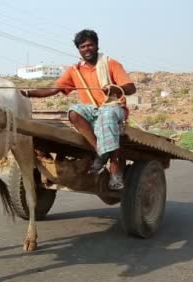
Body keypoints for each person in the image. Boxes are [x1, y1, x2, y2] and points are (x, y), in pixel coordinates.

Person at [21, 29, 136, 190]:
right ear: (79, 50)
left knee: (107, 115)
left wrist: (115, 89)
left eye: (90, 45)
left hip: (113, 107)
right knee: (74, 111)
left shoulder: (111, 64)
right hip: (92, 110)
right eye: (83, 46)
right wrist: (26, 93)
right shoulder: (75, 71)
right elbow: (53, 89)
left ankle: (115, 170)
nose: (87, 49)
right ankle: (101, 152)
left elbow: (131, 88)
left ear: (96, 46)